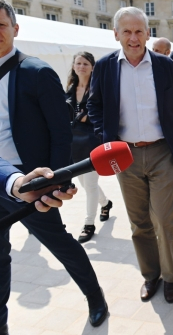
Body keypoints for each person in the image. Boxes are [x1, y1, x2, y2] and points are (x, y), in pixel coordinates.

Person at [0, 0, 108, 334]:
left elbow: (60, 132)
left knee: (62, 246)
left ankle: (95, 297)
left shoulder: (36, 72)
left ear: (14, 28)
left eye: (0, 24)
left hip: (30, 180)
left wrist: (55, 179)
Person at [87, 7, 173, 303]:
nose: (133, 38)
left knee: (166, 219)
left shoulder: (166, 66)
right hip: (123, 154)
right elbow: (95, 106)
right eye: (127, 31)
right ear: (116, 34)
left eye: (139, 31)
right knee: (138, 221)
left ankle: (171, 278)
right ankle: (151, 275)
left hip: (161, 152)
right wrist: (104, 139)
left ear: (147, 33)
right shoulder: (105, 67)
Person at [65, 52, 112, 243]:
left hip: (93, 140)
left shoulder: (97, 87)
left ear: (92, 67)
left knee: (90, 184)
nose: (81, 66)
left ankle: (88, 224)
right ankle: (106, 203)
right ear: (74, 66)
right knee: (85, 184)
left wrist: (89, 117)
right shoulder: (70, 87)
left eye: (85, 63)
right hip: (74, 142)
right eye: (78, 63)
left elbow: (106, 112)